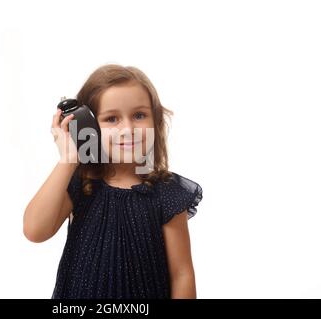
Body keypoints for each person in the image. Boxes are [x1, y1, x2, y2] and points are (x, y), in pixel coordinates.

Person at [23, 64, 203, 299]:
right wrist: (68, 159)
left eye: (139, 115)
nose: (128, 129)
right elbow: (35, 231)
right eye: (111, 118)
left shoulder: (166, 193)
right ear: (88, 125)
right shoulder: (81, 184)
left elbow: (182, 274)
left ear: (155, 121)